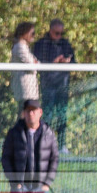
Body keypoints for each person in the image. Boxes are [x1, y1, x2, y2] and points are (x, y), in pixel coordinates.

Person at [33, 18, 75, 152]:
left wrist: (68, 61)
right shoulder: (41, 44)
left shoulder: (65, 44)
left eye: (61, 33)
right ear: (50, 30)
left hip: (63, 85)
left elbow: (74, 61)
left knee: (62, 115)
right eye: (56, 33)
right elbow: (38, 63)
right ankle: (45, 143)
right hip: (48, 84)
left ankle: (62, 144)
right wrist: (54, 62)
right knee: (48, 115)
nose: (59, 36)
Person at [10, 21, 39, 107]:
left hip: (28, 90)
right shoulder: (20, 47)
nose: (34, 35)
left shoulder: (24, 47)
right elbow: (32, 65)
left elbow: (35, 63)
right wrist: (34, 63)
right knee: (24, 114)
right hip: (25, 89)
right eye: (32, 33)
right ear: (25, 33)